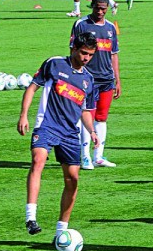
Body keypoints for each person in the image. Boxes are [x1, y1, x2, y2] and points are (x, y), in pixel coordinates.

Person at [17, 33, 99, 237]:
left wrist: (92, 131)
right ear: (73, 48)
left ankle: (61, 229)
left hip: (70, 133)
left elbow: (85, 111)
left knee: (73, 179)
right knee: (38, 160)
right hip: (47, 125)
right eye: (83, 53)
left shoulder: (88, 80)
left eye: (90, 54)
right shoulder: (54, 64)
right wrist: (24, 115)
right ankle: (31, 217)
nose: (86, 58)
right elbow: (32, 88)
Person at [70, 0, 120, 169]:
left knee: (102, 118)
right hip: (87, 80)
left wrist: (117, 80)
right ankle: (84, 156)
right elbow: (73, 52)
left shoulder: (110, 28)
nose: (100, 12)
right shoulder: (81, 25)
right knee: (86, 118)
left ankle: (98, 156)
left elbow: (114, 55)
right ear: (91, 6)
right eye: (97, 8)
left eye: (103, 9)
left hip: (106, 79)